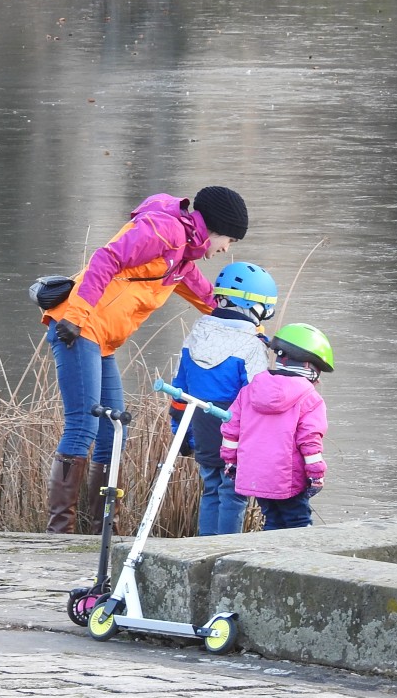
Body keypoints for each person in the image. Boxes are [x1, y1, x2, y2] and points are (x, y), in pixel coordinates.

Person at [40, 186, 250, 534]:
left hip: (100, 338)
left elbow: (211, 301)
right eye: (229, 240)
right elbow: (105, 259)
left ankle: (103, 532)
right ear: (215, 229)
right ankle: (58, 533)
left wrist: (255, 332)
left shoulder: (182, 257)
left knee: (115, 430)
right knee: (82, 425)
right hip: (79, 327)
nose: (226, 249)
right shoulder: (164, 231)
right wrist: (75, 317)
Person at [169, 261, 277, 536]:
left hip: (203, 431)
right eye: (266, 307)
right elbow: (258, 399)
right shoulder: (252, 345)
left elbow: (180, 391)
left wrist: (182, 436)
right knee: (234, 495)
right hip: (235, 433)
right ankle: (226, 551)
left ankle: (204, 549)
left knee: (211, 490)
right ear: (251, 305)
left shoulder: (195, 335)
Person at [219, 323, 334, 531]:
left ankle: (267, 558)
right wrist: (316, 474)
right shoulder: (310, 398)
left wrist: (230, 461)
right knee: (298, 522)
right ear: (309, 367)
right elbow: (309, 441)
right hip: (288, 478)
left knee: (272, 519)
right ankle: (295, 562)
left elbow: (230, 429)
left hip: (255, 475)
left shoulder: (249, 390)